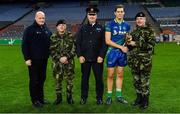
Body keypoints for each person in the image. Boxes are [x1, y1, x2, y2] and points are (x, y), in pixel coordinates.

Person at [76, 6, 107, 105]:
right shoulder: (82, 28)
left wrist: (101, 56)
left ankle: (99, 98)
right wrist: (80, 55)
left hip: (97, 59)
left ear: (96, 16)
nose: (92, 16)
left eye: (93, 14)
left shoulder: (101, 28)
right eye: (90, 14)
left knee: (99, 80)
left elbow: (104, 44)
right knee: (84, 80)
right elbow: (77, 43)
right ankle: (83, 98)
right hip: (84, 59)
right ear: (87, 15)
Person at [21, 11, 52, 107]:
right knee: (34, 80)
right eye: (40, 18)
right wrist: (27, 58)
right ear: (35, 18)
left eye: (43, 18)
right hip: (33, 60)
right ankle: (35, 100)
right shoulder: (29, 30)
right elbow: (24, 45)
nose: (42, 20)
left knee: (42, 79)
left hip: (44, 59)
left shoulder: (47, 30)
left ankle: (41, 99)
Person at [127, 12, 155, 109]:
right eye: (138, 18)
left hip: (144, 62)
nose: (139, 20)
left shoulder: (150, 31)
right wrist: (128, 42)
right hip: (134, 61)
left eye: (141, 19)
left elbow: (150, 46)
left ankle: (145, 101)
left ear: (145, 20)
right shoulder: (134, 32)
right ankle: (138, 99)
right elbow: (130, 47)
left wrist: (136, 43)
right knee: (136, 81)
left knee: (144, 82)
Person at [105, 4, 130, 105]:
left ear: (124, 13)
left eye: (121, 11)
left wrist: (128, 41)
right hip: (112, 52)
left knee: (120, 74)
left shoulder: (127, 25)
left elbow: (127, 39)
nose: (120, 13)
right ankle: (109, 96)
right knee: (110, 75)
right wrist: (120, 47)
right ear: (115, 13)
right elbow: (107, 41)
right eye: (118, 11)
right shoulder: (109, 24)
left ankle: (119, 96)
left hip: (122, 54)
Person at [49, 19, 76, 105]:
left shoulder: (70, 36)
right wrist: (59, 58)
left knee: (69, 81)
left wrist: (66, 57)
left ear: (65, 26)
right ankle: (58, 98)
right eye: (60, 25)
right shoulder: (52, 37)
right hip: (57, 64)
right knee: (57, 81)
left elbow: (74, 49)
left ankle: (69, 97)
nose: (62, 26)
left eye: (63, 24)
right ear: (57, 27)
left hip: (69, 63)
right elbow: (51, 50)